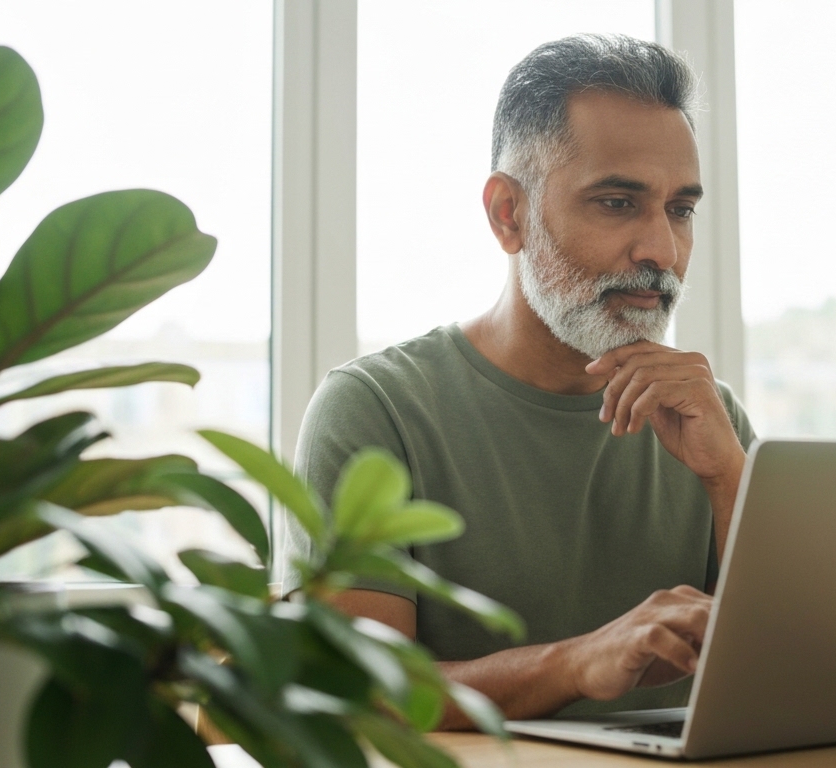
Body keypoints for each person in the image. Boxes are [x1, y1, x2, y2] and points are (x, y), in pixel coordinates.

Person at [289, 34, 756, 728]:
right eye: (617, 202)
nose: (662, 250)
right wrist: (576, 663)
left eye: (680, 210)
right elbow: (360, 692)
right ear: (509, 214)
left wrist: (731, 478)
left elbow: (804, 673)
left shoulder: (710, 420)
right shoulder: (376, 410)